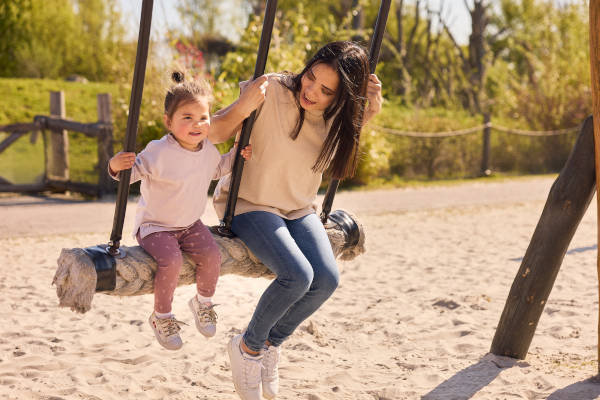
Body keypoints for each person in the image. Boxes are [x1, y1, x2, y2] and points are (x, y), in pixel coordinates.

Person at [212, 41, 383, 399]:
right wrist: (243, 105)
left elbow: (346, 141)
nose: (311, 92)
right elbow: (215, 131)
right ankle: (247, 348)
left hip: (297, 209)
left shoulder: (336, 118)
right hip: (250, 203)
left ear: (340, 97)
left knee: (326, 280)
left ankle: (269, 344)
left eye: (325, 91)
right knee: (297, 276)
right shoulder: (271, 89)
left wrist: (371, 111)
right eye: (310, 79)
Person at [108, 71, 257, 351]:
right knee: (172, 260)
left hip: (189, 224)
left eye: (203, 117)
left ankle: (203, 302)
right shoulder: (158, 151)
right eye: (186, 117)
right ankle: (161, 316)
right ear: (169, 121)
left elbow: (219, 169)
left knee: (212, 254)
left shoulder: (207, 149)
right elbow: (132, 173)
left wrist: (237, 154)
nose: (196, 124)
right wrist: (116, 165)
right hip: (155, 227)